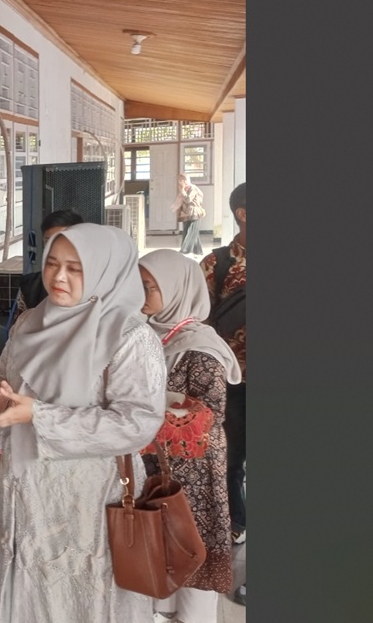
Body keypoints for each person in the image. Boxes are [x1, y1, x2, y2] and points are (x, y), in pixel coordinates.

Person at [0, 223, 166, 623]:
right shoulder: (32, 323)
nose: (58, 277)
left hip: (90, 499)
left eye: (75, 268)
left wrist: (38, 415)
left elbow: (137, 423)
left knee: (85, 590)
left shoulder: (129, 338)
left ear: (104, 270)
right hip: (24, 488)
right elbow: (1, 376)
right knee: (27, 579)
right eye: (53, 264)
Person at [139, 249, 242, 623]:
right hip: (156, 462)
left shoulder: (200, 346)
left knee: (192, 547)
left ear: (176, 289)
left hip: (194, 475)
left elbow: (207, 416)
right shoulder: (147, 335)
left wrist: (142, 410)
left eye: (149, 287)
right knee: (161, 549)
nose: (141, 294)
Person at [200, 181, 246, 604]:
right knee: (230, 454)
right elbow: (195, 315)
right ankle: (236, 520)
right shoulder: (217, 263)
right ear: (244, 214)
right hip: (230, 379)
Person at [14, 209, 85, 316]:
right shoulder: (29, 286)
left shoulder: (96, 286)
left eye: (63, 240)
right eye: (49, 240)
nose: (55, 246)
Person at [171, 173, 206, 255]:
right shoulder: (184, 189)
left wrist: (182, 191)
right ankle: (198, 251)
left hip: (194, 212)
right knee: (188, 231)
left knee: (191, 231)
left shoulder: (192, 188)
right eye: (179, 180)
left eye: (182, 180)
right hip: (186, 213)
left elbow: (188, 199)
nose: (180, 182)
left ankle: (185, 250)